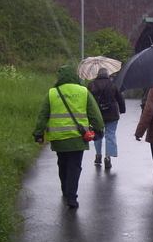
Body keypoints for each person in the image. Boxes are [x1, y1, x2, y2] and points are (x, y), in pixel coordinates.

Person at [33, 65, 105, 208]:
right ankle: (72, 197)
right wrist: (99, 129)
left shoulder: (52, 93)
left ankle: (65, 190)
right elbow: (94, 113)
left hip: (58, 138)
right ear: (74, 76)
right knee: (75, 167)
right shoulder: (83, 92)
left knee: (62, 164)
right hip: (78, 137)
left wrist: (38, 134)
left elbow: (43, 115)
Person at [87, 67, 126, 169]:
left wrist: (88, 114)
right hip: (112, 114)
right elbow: (120, 98)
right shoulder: (114, 83)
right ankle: (108, 158)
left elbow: (88, 102)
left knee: (98, 134)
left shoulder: (91, 85)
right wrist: (122, 110)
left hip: (97, 115)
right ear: (107, 74)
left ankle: (98, 155)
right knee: (110, 135)